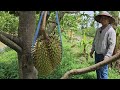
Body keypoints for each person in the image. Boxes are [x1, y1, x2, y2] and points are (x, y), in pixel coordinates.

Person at [90, 11, 116, 79]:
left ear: (108, 20)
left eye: (105, 18)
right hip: (97, 54)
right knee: (98, 71)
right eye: (102, 18)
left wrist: (108, 56)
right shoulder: (98, 30)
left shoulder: (111, 31)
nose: (103, 20)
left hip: (104, 55)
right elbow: (95, 41)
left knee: (103, 72)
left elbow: (112, 44)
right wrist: (92, 50)